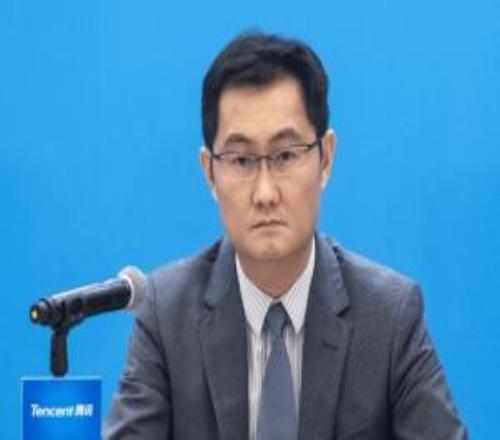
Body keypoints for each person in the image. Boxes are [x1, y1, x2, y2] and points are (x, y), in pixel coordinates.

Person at [103, 32, 467, 439]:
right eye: (241, 160)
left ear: (325, 158)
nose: (265, 193)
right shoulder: (166, 314)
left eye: (286, 156)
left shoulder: (388, 316)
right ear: (210, 173)